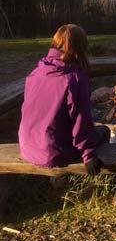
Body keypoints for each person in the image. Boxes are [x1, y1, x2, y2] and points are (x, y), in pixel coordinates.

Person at [18, 24, 109, 175]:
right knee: (104, 131)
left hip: (28, 146)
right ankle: (62, 177)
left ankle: (59, 177)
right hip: (54, 152)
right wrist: (89, 156)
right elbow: (81, 121)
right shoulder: (74, 78)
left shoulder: (36, 72)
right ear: (81, 48)